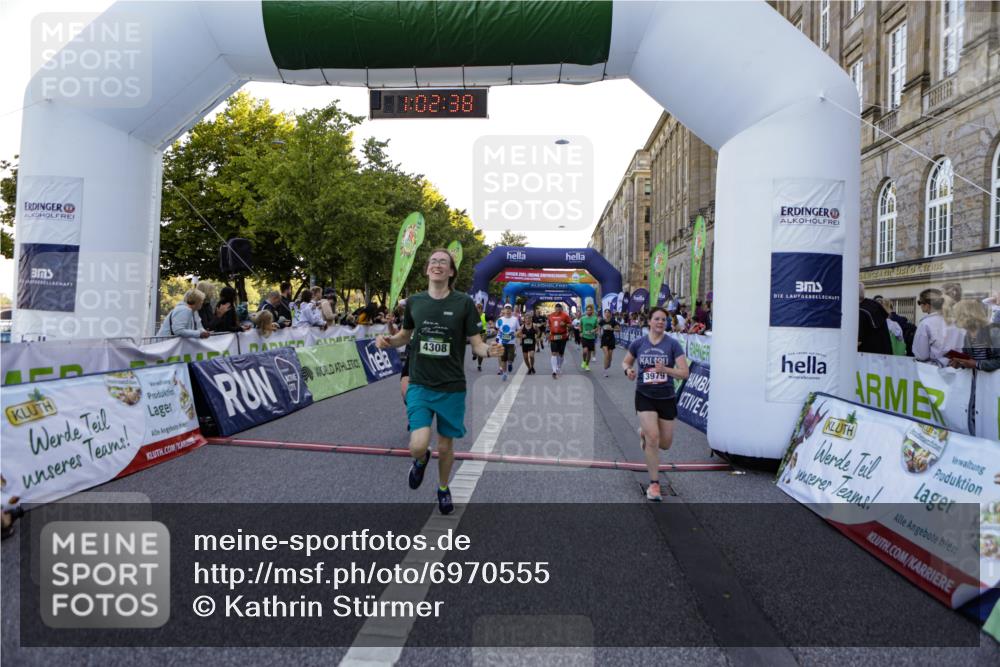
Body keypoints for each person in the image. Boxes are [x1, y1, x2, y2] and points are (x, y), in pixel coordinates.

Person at [375, 249, 503, 515]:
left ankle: (443, 488)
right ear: (426, 270)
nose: (437, 265)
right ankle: (420, 461)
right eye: (433, 261)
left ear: (451, 271)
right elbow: (404, 336)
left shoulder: (463, 304)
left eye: (443, 262)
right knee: (418, 444)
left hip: (452, 386)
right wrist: (388, 341)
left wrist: (489, 351)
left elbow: (476, 344)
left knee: (445, 446)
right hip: (420, 383)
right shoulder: (415, 302)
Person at [622, 307, 689, 502]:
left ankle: (643, 433)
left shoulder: (673, 345)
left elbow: (684, 373)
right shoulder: (638, 343)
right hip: (645, 395)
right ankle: (654, 484)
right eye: (657, 319)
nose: (661, 322)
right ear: (649, 322)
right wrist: (629, 371)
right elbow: (626, 363)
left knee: (665, 444)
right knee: (653, 438)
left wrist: (665, 369)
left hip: (666, 396)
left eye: (664, 320)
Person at [913, 288, 964, 366]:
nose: (920, 305)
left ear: (927, 305)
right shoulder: (957, 321)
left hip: (934, 371)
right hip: (958, 369)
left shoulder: (925, 324)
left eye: (919, 302)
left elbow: (921, 355)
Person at [947, 299, 1000, 372]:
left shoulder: (993, 332)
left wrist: (977, 364)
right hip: (978, 380)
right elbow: (969, 359)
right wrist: (959, 363)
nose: (954, 320)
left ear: (966, 316)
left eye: (956, 316)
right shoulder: (968, 334)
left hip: (993, 381)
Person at [858, 283, 893, 354]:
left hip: (868, 357)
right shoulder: (874, 304)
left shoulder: (860, 312)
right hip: (884, 355)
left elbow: (858, 342)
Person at [547, 303, 574, 379]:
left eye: (559, 308)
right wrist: (547, 334)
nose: (557, 309)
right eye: (556, 308)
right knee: (554, 353)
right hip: (553, 336)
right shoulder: (551, 315)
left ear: (561, 309)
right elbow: (548, 325)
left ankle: (559, 366)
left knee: (561, 354)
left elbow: (571, 325)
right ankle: (554, 371)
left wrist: (565, 324)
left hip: (562, 336)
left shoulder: (565, 315)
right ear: (555, 308)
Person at [495, 303, 520, 381]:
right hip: (502, 342)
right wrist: (499, 335)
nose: (508, 310)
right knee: (503, 359)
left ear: (511, 310)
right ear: (504, 310)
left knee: (510, 358)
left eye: (509, 309)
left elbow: (519, 329)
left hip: (511, 342)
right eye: (506, 309)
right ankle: (505, 373)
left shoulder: (515, 319)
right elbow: (497, 329)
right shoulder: (500, 320)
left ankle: (510, 363)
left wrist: (516, 333)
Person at [598, 308, 620, 377]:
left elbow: (619, 329)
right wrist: (599, 333)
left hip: (611, 339)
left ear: (610, 314)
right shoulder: (602, 321)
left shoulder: (613, 321)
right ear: (604, 314)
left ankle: (609, 363)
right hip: (604, 338)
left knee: (610, 357)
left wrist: (612, 329)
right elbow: (598, 327)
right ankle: (605, 371)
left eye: (608, 312)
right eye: (605, 312)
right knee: (606, 355)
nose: (607, 314)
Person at [579, 303, 599, 371]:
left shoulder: (595, 318)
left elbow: (597, 327)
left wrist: (594, 330)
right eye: (587, 310)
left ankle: (587, 365)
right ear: (586, 311)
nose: (588, 311)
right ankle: (584, 361)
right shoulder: (583, 318)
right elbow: (580, 326)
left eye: (590, 310)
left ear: (592, 311)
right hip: (584, 337)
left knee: (589, 353)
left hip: (591, 337)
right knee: (585, 351)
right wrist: (581, 332)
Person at [518, 308, 538, 375]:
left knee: (531, 356)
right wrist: (521, 336)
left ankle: (532, 366)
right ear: (524, 319)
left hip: (532, 343)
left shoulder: (534, 326)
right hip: (524, 344)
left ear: (531, 319)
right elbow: (518, 334)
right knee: (526, 358)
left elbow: (539, 332)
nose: (528, 320)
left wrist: (537, 336)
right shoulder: (522, 326)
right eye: (526, 318)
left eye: (529, 318)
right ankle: (529, 368)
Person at [471, 301, 490, 372]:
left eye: (479, 308)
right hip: (475, 333)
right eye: (476, 308)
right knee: (474, 349)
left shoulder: (484, 315)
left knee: (481, 349)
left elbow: (490, 321)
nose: (478, 310)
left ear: (482, 309)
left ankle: (479, 365)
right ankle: (474, 353)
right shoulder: (472, 316)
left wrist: (491, 325)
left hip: (483, 333)